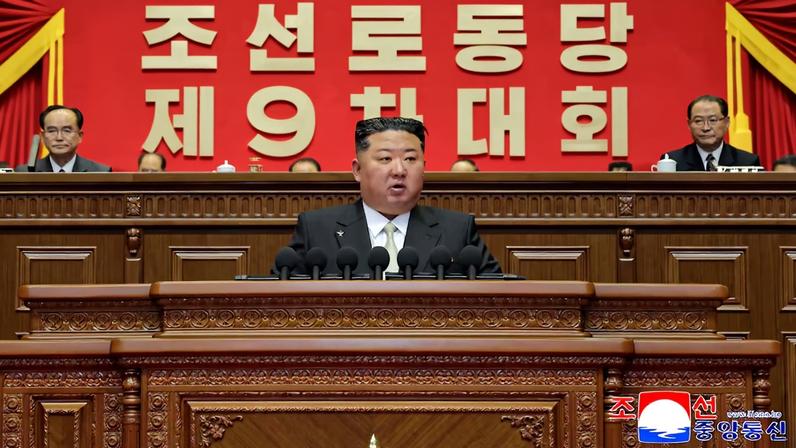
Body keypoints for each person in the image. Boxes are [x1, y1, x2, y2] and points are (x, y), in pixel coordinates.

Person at [282, 117, 501, 275]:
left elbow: (500, 299)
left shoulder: (457, 229)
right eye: (385, 159)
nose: (399, 170)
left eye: (410, 159)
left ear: (424, 167)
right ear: (357, 170)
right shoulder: (316, 229)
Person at [660, 95, 760, 171]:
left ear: (727, 122)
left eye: (713, 120)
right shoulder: (672, 162)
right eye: (698, 121)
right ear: (689, 124)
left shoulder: (748, 162)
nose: (706, 128)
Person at [15, 105, 111, 172]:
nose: (59, 138)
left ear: (80, 136)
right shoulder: (25, 172)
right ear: (43, 137)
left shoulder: (100, 172)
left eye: (66, 130)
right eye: (52, 131)